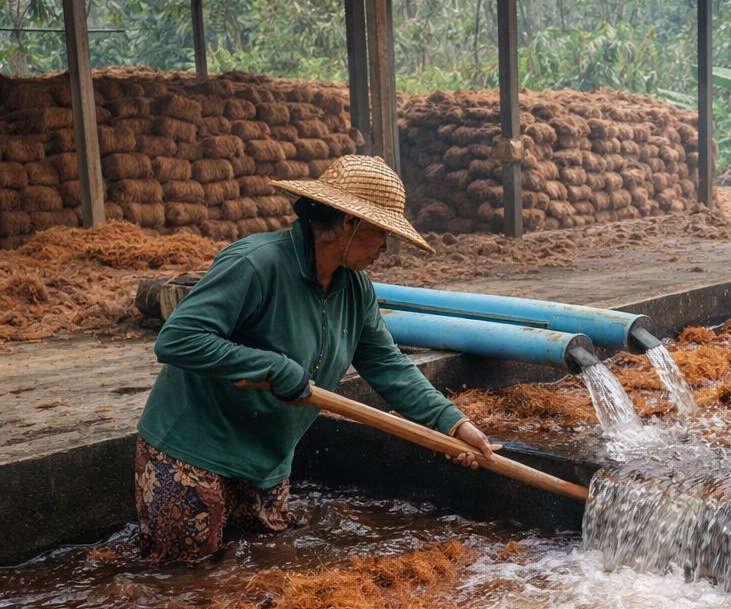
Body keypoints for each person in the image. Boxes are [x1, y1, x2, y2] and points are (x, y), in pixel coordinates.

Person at [134, 155, 500, 563]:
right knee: (185, 584)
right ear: (348, 221)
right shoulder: (255, 264)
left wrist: (450, 421)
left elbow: (387, 364)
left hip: (267, 458)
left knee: (263, 575)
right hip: (194, 450)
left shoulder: (355, 288)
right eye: (381, 232)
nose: (385, 247)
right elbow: (178, 339)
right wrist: (272, 366)